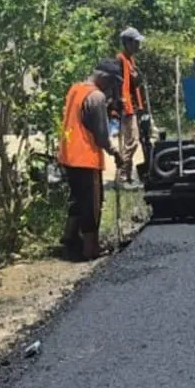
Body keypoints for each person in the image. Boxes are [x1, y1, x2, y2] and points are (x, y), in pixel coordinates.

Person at [58, 59, 126, 261]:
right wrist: (115, 153)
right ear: (105, 78)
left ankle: (69, 237)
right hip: (85, 157)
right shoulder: (95, 97)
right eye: (113, 83)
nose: (113, 88)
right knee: (92, 205)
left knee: (78, 199)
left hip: (68, 155)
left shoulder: (76, 89)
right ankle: (91, 249)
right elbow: (102, 136)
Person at [116, 27, 147, 189]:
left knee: (135, 141)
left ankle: (128, 176)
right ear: (127, 43)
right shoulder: (120, 60)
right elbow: (120, 86)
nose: (138, 46)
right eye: (136, 42)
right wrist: (123, 105)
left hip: (134, 107)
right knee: (131, 142)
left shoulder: (131, 60)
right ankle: (123, 177)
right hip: (126, 107)